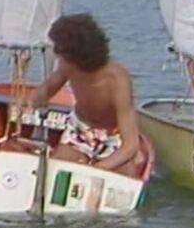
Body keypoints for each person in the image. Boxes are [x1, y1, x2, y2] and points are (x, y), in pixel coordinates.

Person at [29, 13, 144, 177]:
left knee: (120, 181)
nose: (57, 55)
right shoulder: (66, 66)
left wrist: (98, 168)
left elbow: (130, 145)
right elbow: (45, 91)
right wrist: (30, 102)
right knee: (55, 173)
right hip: (80, 129)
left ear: (75, 56)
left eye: (60, 52)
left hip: (113, 136)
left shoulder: (117, 80)